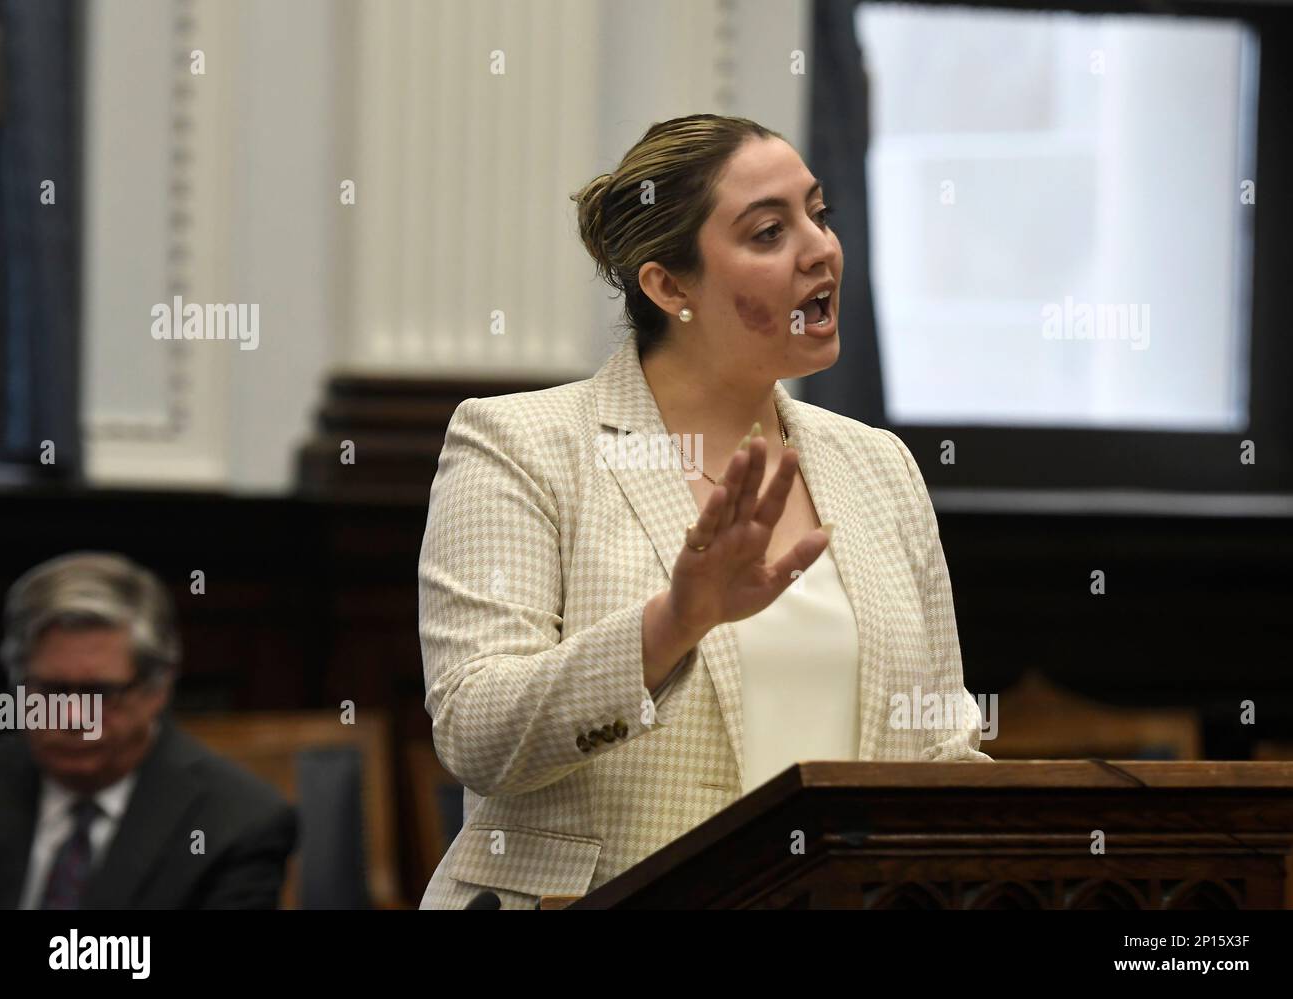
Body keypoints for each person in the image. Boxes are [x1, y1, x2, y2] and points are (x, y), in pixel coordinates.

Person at [417, 114, 991, 910]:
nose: (820, 248)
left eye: (818, 214)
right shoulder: (521, 443)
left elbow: (941, 752)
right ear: (669, 286)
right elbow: (476, 733)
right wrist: (674, 622)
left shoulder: (879, 466)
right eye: (768, 232)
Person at [0, 552, 297, 909]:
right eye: (52, 691)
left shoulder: (237, 825)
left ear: (158, 689)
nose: (75, 717)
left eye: (101, 693)